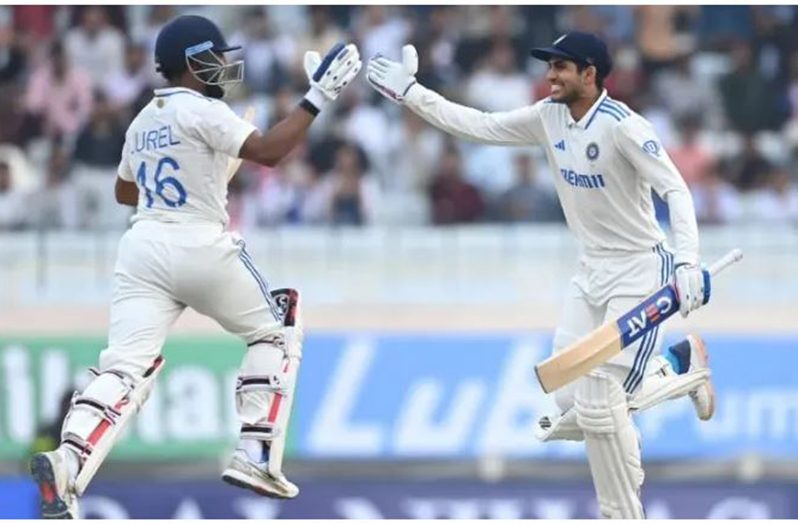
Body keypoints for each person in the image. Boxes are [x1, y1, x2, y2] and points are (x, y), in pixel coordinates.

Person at [368, 32, 714, 519]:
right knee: (570, 403)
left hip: (641, 272)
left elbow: (676, 191)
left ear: (590, 74)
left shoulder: (625, 127)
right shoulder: (547, 117)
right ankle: (683, 367)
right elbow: (478, 126)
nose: (550, 75)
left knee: (599, 400)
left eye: (561, 67)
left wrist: (686, 262)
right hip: (591, 271)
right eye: (549, 65)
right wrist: (412, 93)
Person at [29, 15, 361, 519]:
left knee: (124, 367)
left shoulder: (144, 117)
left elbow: (124, 190)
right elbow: (270, 152)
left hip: (141, 248)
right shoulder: (204, 109)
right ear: (192, 62)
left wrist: (190, 172)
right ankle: (256, 453)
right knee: (278, 326)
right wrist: (317, 99)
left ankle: (68, 461)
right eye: (216, 56)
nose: (225, 66)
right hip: (197, 241)